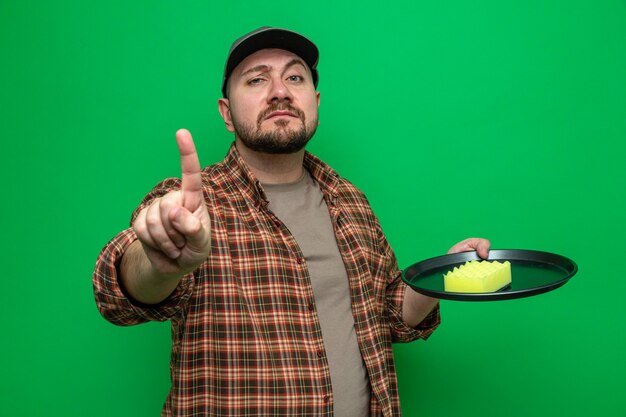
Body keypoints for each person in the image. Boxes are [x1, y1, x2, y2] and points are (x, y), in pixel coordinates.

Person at [93, 27, 490, 417]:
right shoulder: (189, 207)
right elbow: (117, 293)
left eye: (295, 77)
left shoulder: (350, 200)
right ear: (226, 113)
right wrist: (160, 264)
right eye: (256, 79)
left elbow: (389, 315)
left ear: (314, 101)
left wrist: (442, 275)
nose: (280, 91)